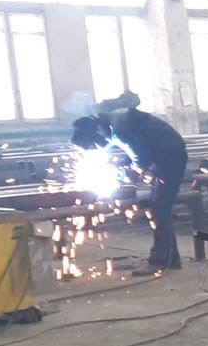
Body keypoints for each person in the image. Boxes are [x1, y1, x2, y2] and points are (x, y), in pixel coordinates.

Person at [72, 106, 189, 272]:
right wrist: (125, 166)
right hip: (165, 154)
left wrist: (132, 173)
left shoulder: (118, 132)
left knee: (160, 208)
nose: (98, 148)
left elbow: (140, 159)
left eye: (94, 146)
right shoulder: (112, 123)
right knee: (158, 207)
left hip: (170, 158)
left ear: (95, 134)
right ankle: (170, 258)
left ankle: (162, 261)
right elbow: (137, 147)